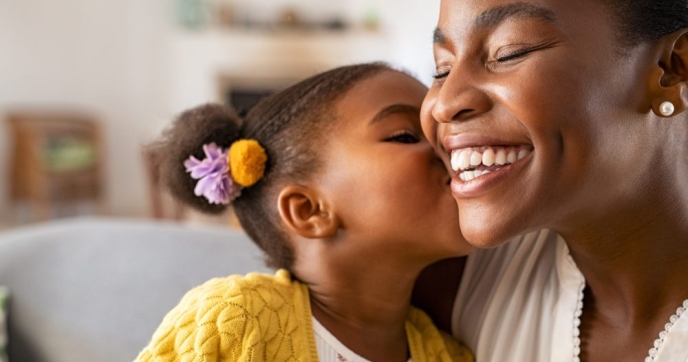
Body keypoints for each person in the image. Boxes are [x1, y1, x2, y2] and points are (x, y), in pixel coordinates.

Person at [134, 63, 474, 362]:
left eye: (440, 132)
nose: (450, 145)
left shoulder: (447, 354)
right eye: (404, 136)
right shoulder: (234, 320)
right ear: (310, 210)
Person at [419, 1, 688, 362]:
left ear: (671, 69)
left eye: (510, 52)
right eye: (442, 69)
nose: (444, 104)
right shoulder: (453, 284)